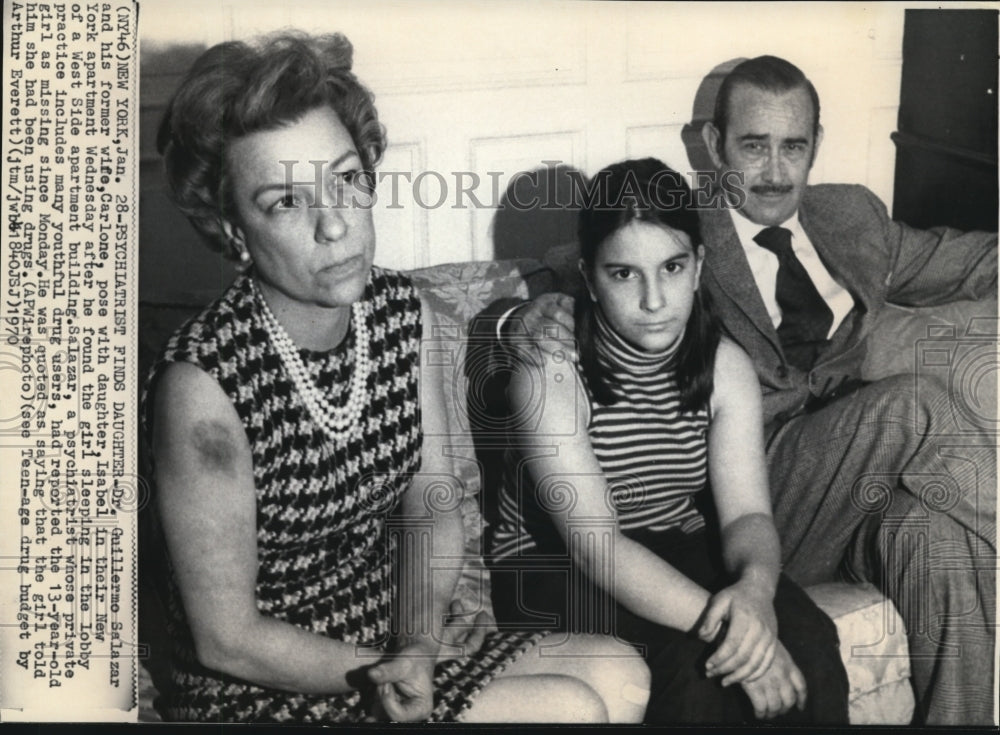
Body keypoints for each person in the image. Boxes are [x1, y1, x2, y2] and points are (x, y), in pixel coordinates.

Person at [140, 31, 650, 724]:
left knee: (622, 672)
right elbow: (226, 638)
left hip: (387, 640)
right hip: (267, 683)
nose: (334, 225)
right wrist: (394, 666)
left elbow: (431, 502)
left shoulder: (401, 311)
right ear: (232, 229)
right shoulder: (203, 382)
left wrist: (416, 640)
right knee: (568, 708)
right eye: (284, 202)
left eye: (345, 179)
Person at [499, 56, 997, 725]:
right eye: (753, 146)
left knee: (932, 534)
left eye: (793, 146)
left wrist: (760, 593)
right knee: (917, 404)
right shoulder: (679, 225)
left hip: (821, 503)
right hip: (753, 486)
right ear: (714, 146)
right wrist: (520, 318)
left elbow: (969, 261)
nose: (773, 170)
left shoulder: (851, 218)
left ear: (816, 144)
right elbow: (574, 269)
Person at [487, 158, 849, 724]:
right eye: (624, 274)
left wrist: (755, 593)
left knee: (810, 640)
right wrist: (733, 632)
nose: (655, 301)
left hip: (667, 543)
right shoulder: (549, 370)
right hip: (552, 567)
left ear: (700, 265)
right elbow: (596, 547)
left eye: (672, 267)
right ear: (587, 276)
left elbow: (746, 515)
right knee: (699, 666)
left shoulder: (724, 367)